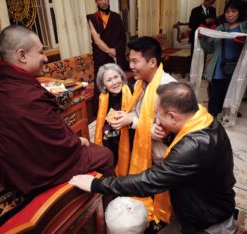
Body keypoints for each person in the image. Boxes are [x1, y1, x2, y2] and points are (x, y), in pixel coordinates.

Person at [70, 82, 237, 234]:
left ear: (173, 116)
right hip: (205, 203)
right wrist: (168, 136)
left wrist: (96, 184)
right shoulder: (202, 117)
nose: (156, 120)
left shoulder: (192, 146)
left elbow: (149, 181)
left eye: (158, 114)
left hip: (209, 223)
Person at [0, 25, 114, 195]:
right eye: (40, 52)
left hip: (8, 173)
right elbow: (60, 143)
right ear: (22, 56)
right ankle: (108, 207)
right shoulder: (28, 96)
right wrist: (78, 141)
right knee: (105, 155)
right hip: (34, 175)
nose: (45, 58)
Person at [109, 36, 176, 224]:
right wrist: (126, 117)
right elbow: (138, 113)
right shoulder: (140, 83)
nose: (130, 65)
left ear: (153, 62)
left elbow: (163, 134)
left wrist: (133, 121)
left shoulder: (167, 89)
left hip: (162, 155)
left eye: (135, 61)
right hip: (143, 145)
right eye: (129, 60)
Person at [200, 0, 247, 117]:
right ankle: (211, 119)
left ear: (240, 12)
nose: (229, 14)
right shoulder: (221, 27)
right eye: (227, 11)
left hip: (236, 68)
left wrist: (245, 42)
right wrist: (203, 38)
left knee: (231, 93)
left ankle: (229, 115)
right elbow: (209, 49)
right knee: (214, 95)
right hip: (218, 68)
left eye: (233, 11)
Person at [87, 0, 127, 115]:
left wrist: (116, 51)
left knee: (116, 82)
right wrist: (110, 51)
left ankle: (120, 109)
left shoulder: (117, 17)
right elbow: (97, 41)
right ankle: (101, 113)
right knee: (101, 84)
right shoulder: (92, 18)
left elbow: (122, 37)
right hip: (101, 57)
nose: (104, 2)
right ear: (96, 1)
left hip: (115, 57)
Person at [94, 63, 133, 176]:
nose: (115, 82)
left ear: (121, 77)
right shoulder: (103, 97)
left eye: (116, 77)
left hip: (131, 130)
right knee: (106, 145)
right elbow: (104, 119)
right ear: (104, 85)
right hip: (113, 132)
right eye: (109, 80)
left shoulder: (131, 90)